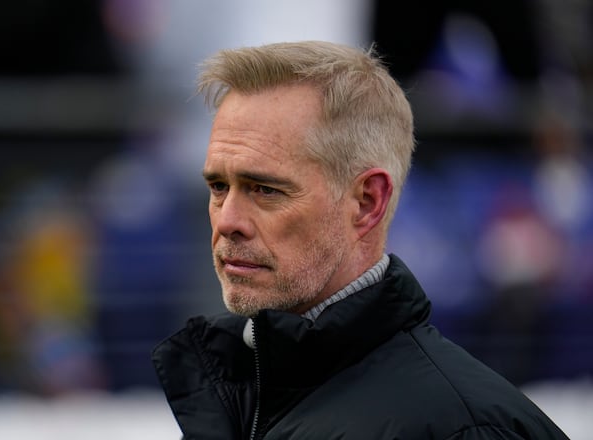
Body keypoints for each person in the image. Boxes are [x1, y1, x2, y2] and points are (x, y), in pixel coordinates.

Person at [151, 41, 569, 439]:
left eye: (265, 189)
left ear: (367, 202)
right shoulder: (243, 397)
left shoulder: (461, 428)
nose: (228, 221)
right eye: (218, 186)